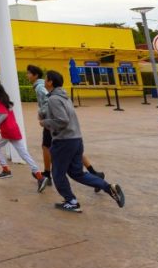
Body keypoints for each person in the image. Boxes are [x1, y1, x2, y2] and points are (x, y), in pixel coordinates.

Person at [39, 70, 125, 213]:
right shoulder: (65, 97)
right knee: (77, 173)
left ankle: (71, 201)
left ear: (50, 82)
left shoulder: (54, 99)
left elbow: (62, 120)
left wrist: (45, 122)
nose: (44, 82)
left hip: (64, 141)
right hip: (76, 139)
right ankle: (109, 187)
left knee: (58, 174)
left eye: (46, 79)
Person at [29, 64, 105, 194]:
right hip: (59, 125)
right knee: (72, 149)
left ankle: (48, 174)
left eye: (29, 73)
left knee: (46, 146)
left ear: (36, 75)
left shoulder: (40, 88)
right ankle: (94, 173)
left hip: (52, 121)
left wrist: (43, 115)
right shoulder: (43, 86)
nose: (27, 75)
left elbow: (49, 102)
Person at [0, 83, 44, 184]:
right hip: (14, 129)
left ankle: (6, 170)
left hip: (6, 131)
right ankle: (39, 175)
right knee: (23, 153)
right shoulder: (6, 101)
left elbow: (3, 115)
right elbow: (3, 114)